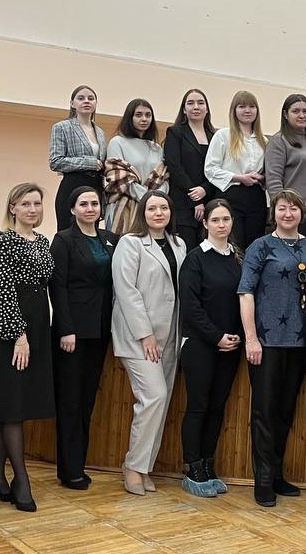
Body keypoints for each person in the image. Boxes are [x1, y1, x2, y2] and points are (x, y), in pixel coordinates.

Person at [239, 190, 306, 507]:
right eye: (282, 208)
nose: (288, 214)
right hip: (267, 342)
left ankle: (276, 474)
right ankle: (262, 481)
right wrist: (251, 338)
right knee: (265, 412)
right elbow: (246, 292)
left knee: (285, 412)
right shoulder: (260, 246)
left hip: (300, 342)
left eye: (294, 208)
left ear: (302, 213)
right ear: (273, 213)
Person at [0, 182, 56, 513]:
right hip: (13, 330)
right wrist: (18, 335)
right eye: (25, 204)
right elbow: (2, 290)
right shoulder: (4, 242)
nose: (32, 209)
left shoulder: (43, 241)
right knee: (11, 404)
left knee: (16, 403)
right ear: (13, 208)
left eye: (37, 203)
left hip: (38, 326)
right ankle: (21, 480)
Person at [111, 190, 186, 496]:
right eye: (152, 208)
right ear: (143, 212)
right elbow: (126, 291)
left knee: (161, 402)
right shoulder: (130, 243)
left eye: (163, 208)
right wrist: (145, 333)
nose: (158, 213)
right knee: (153, 396)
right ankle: (132, 466)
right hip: (139, 336)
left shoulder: (179, 244)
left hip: (171, 335)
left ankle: (144, 468)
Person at [50, 186, 117, 490]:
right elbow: (58, 287)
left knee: (87, 400)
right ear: (72, 209)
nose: (90, 208)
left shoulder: (109, 239)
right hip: (73, 332)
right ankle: (69, 470)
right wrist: (66, 329)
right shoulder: (63, 240)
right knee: (71, 401)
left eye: (94, 203)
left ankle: (80, 463)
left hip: (101, 328)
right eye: (84, 204)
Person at [179, 199, 244, 497]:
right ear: (205, 223)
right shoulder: (195, 259)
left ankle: (208, 464)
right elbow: (191, 307)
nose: (221, 224)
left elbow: (244, 299)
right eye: (215, 220)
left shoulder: (238, 257)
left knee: (217, 408)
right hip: (200, 345)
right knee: (198, 406)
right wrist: (216, 336)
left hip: (231, 346)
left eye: (226, 219)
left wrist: (237, 336)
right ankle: (193, 467)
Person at [205, 90, 267, 250]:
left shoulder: (264, 140)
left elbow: (268, 171)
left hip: (256, 197)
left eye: (252, 106)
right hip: (231, 195)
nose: (247, 110)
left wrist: (261, 178)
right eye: (242, 106)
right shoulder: (223, 135)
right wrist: (239, 177)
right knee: (234, 243)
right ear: (234, 110)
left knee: (255, 244)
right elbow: (210, 169)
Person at [265, 93, 306, 243]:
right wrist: (283, 210)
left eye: (305, 111)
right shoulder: (279, 141)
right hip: (295, 210)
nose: (302, 115)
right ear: (285, 114)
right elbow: (273, 179)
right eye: (296, 111)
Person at [104, 98, 165, 234]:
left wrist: (156, 199)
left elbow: (163, 177)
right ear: (129, 117)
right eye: (138, 115)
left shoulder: (157, 148)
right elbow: (117, 177)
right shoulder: (117, 142)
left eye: (148, 115)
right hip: (124, 205)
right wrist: (147, 197)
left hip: (152, 208)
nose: (144, 119)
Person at [50, 85, 106, 231]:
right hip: (73, 185)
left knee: (90, 232)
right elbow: (56, 162)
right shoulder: (62, 127)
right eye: (81, 98)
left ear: (95, 103)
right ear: (72, 103)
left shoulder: (100, 133)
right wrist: (89, 162)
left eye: (91, 98)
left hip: (95, 187)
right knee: (69, 233)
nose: (86, 101)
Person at [164, 88, 217, 242]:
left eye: (200, 103)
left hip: (210, 202)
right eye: (190, 103)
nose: (196, 107)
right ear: (184, 109)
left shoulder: (215, 137)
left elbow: (218, 169)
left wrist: (205, 189)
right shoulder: (175, 132)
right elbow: (175, 167)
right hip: (183, 203)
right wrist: (196, 197)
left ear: (207, 109)